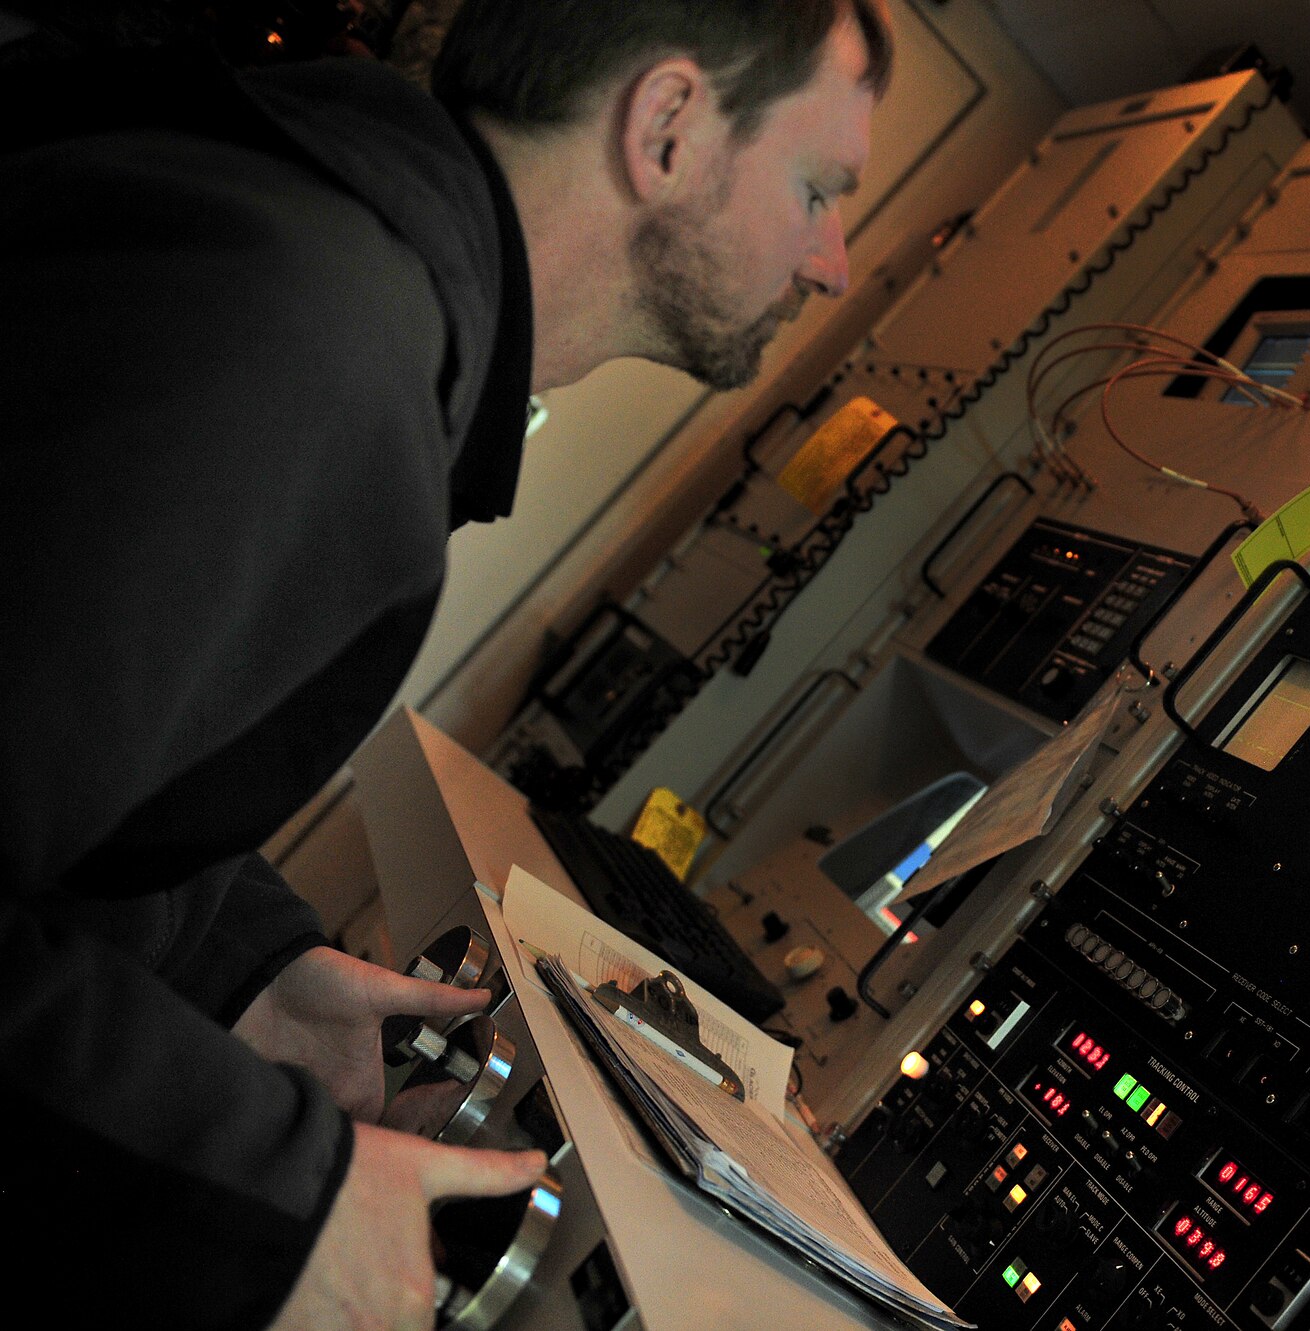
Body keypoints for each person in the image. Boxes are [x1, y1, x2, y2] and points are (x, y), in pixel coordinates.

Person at [0, 1, 891, 1326]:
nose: (832, 261)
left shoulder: (337, 275)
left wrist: (236, 962)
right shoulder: (305, 333)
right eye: (818, 190)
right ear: (666, 128)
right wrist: (272, 1192)